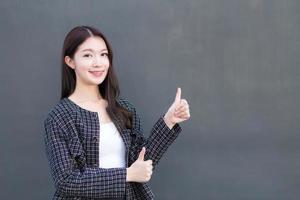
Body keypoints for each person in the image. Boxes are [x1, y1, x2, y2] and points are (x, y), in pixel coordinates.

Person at [43, 25, 190, 200]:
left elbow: (141, 164)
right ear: (70, 61)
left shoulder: (123, 109)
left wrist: (169, 120)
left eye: (103, 54)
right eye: (88, 55)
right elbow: (66, 181)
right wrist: (127, 175)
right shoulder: (60, 117)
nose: (98, 62)